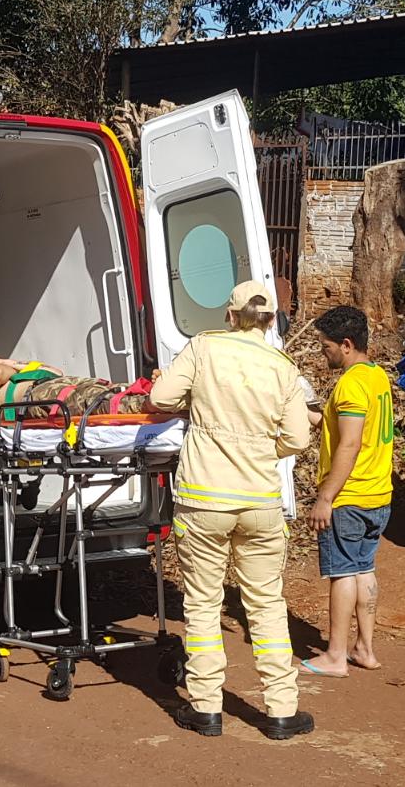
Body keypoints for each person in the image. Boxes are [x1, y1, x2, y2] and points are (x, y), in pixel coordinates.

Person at [149, 280, 314, 740]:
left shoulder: (203, 349)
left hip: (203, 498)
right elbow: (298, 439)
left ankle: (206, 708)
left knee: (202, 604)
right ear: (270, 320)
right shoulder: (283, 366)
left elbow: (160, 398)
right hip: (260, 500)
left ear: (230, 315)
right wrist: (263, 449)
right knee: (266, 604)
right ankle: (282, 710)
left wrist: (194, 409)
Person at [299, 306, 393, 679]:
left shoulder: (351, 383)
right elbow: (342, 427)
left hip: (349, 499)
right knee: (363, 569)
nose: (324, 353)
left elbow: (349, 445)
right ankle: (365, 649)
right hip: (377, 495)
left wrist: (325, 498)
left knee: (341, 574)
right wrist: (307, 413)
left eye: (326, 347)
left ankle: (335, 655)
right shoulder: (376, 376)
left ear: (346, 344)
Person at [0, 361, 158, 422]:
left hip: (53, 386)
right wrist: (5, 364)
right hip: (41, 398)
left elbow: (54, 371)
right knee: (95, 402)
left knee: (109, 389)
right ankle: (152, 402)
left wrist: (11, 365)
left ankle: (158, 392)